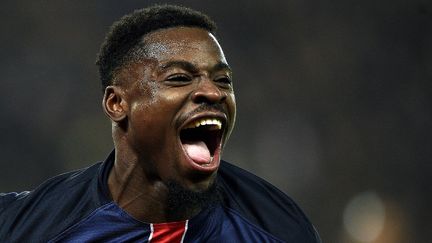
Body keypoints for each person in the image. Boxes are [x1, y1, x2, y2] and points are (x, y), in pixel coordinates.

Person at [0, 5, 321, 242]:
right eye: (180, 78)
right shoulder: (27, 228)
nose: (213, 91)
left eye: (223, 80)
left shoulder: (278, 228)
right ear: (117, 104)